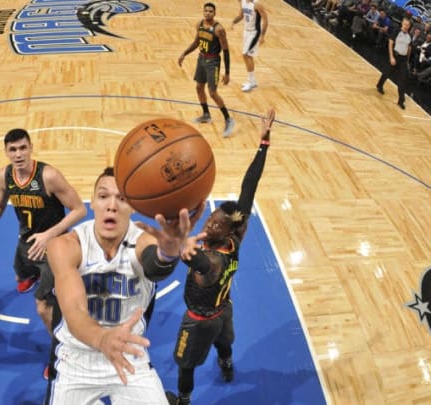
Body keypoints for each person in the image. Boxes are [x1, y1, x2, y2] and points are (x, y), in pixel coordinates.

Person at [44, 167, 206, 404]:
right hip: (76, 357)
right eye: (103, 196)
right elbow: (74, 311)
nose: (112, 205)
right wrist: (102, 339)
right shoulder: (65, 245)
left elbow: (155, 264)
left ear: (133, 206)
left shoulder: (145, 240)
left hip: (129, 353)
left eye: (121, 198)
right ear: (92, 203)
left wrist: (169, 253)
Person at [166, 109, 275, 405]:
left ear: (227, 229)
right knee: (224, 343)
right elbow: (249, 186)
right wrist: (263, 144)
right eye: (211, 218)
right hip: (223, 310)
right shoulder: (234, 238)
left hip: (199, 320)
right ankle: (227, 366)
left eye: (216, 223)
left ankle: (183, 402)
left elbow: (200, 263)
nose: (210, 223)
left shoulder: (212, 261)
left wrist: (182, 245)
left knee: (185, 365)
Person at [0, 128, 86, 377]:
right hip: (26, 240)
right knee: (20, 278)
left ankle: (62, 351)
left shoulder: (49, 176)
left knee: (44, 308)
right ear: (6, 152)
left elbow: (79, 210)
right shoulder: (4, 177)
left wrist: (49, 236)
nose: (18, 154)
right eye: (13, 149)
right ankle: (31, 276)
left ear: (31, 147)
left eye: (23, 148)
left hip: (54, 246)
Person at [178, 2, 235, 138]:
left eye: (210, 11)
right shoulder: (200, 24)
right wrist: (184, 53)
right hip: (201, 59)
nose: (208, 13)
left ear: (214, 13)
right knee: (198, 87)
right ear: (203, 12)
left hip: (213, 62)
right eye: (206, 11)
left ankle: (228, 119)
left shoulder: (219, 29)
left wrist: (227, 73)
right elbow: (196, 42)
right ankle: (206, 114)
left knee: (213, 93)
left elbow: (226, 51)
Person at [231, 0, 269, 92]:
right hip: (246, 32)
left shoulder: (257, 4)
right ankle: (252, 81)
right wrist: (234, 22)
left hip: (254, 33)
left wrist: (262, 36)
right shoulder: (242, 1)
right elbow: (241, 15)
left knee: (246, 55)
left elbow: (265, 20)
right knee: (246, 56)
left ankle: (251, 82)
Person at [376, 17, 413, 110]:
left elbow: (409, 48)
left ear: (409, 26)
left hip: (403, 59)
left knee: (402, 80)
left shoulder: (409, 36)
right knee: (387, 73)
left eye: (407, 25)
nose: (406, 26)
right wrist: (391, 56)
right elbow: (390, 43)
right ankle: (379, 85)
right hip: (395, 56)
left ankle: (401, 100)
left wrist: (407, 61)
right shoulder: (397, 31)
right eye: (404, 24)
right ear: (402, 24)